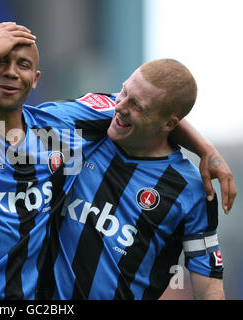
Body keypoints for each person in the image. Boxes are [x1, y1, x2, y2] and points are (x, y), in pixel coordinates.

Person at [0, 23, 235, 300]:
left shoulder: (61, 131)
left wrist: (207, 151)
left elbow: (156, 108)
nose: (120, 107)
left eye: (21, 65)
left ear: (36, 79)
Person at [36, 59, 228, 300]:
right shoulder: (87, 125)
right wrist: (205, 147)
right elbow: (22, 120)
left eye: (137, 105)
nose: (119, 107)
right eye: (124, 91)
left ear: (169, 124)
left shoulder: (190, 191)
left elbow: (209, 287)